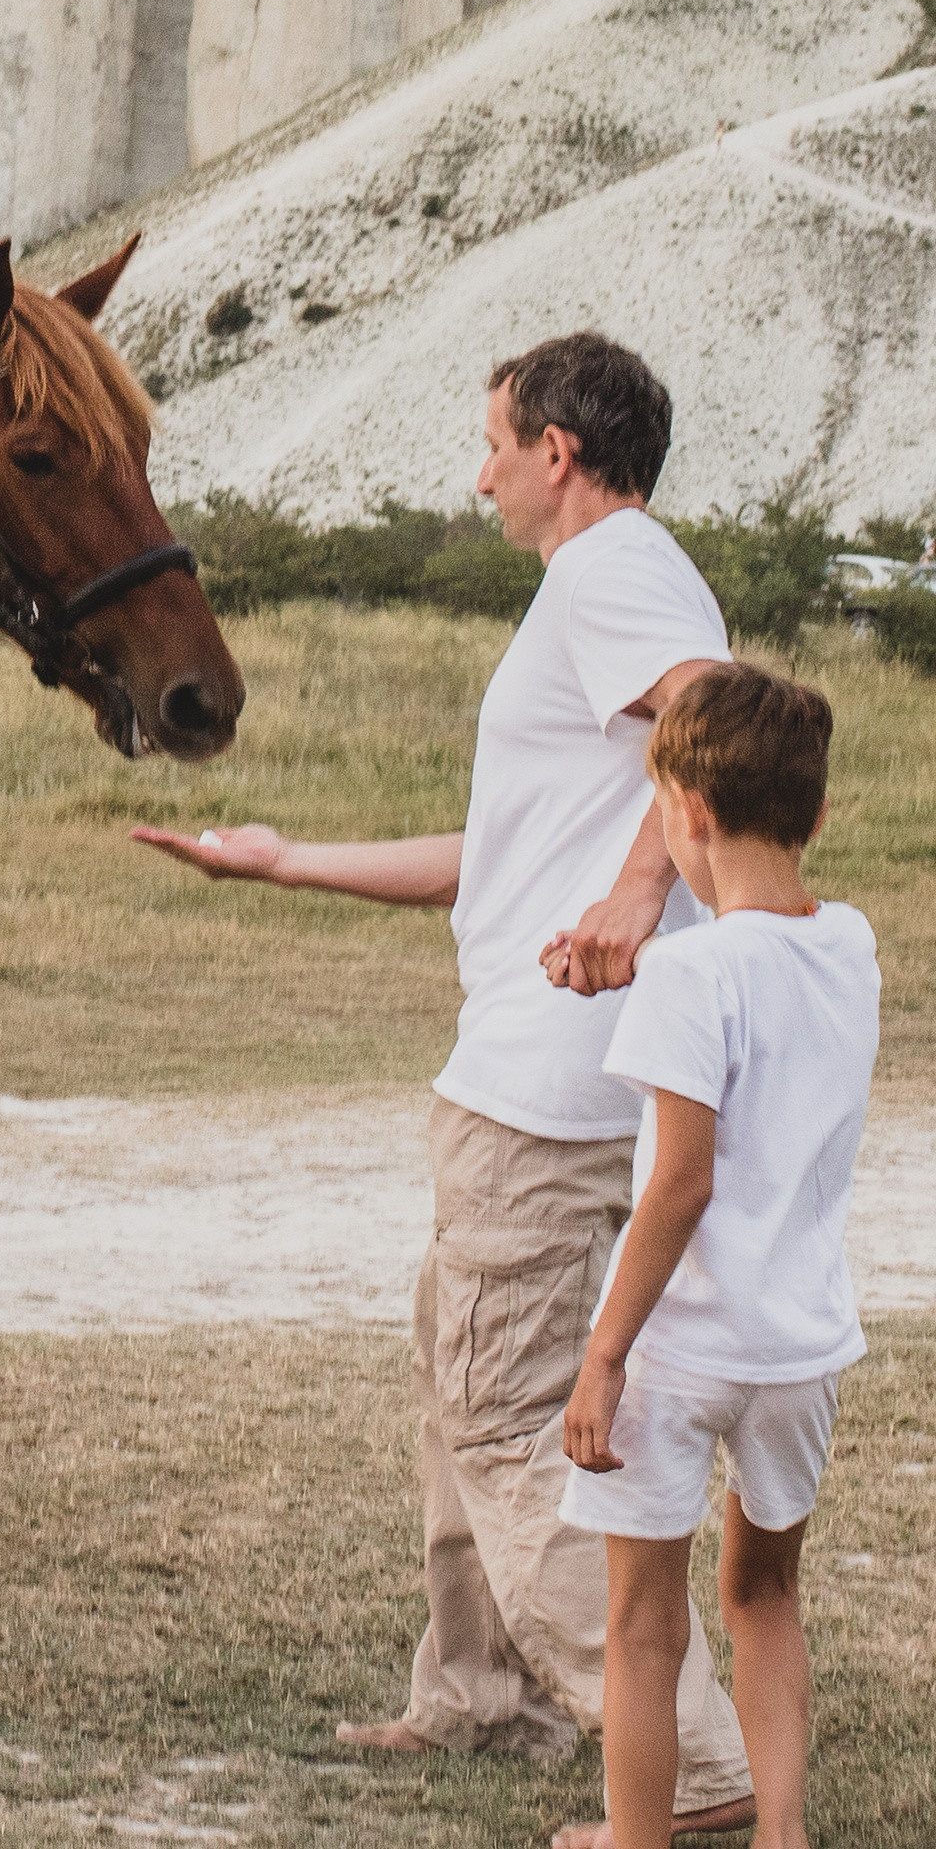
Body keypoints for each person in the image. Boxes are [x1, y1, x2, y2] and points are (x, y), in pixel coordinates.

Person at [135, 332, 757, 1847]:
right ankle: (481, 1688)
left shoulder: (613, 570)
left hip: (543, 1093)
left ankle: (686, 1759)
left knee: (501, 1414)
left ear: (558, 452)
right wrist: (289, 865)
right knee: (460, 1375)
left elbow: (719, 721)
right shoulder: (609, 584)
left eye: (493, 442)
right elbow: (502, 865)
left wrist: (629, 899)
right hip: (551, 1075)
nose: (478, 473)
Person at [561, 665, 878, 1849]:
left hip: (680, 1350)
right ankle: (780, 1836)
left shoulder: (688, 976)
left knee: (645, 1626)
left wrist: (601, 1357)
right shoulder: (849, 945)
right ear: (816, 812)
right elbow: (763, 979)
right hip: (798, 1348)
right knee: (764, 1598)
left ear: (682, 810)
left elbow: (678, 1184)